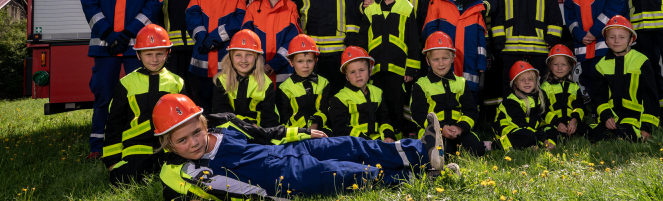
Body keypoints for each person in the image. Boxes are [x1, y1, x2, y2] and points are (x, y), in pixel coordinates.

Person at [154, 94, 449, 199]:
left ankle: (421, 152)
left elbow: (267, 133)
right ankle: (421, 177)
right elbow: (177, 192)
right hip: (287, 178)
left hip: (291, 151)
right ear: (169, 144)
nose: (193, 142)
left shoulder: (226, 126)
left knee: (350, 144)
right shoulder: (191, 172)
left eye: (195, 132)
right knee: (346, 172)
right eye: (181, 140)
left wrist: (303, 132)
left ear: (203, 124)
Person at [80, 0, 163, 160]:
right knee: (104, 93)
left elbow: (153, 4)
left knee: (140, 95)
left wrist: (128, 33)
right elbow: (88, 2)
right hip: (104, 46)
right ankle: (98, 146)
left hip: (135, 46)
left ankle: (141, 141)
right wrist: (107, 32)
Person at [102, 24, 184, 184]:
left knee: (179, 178)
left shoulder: (177, 82)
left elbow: (185, 121)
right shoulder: (126, 84)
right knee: (122, 180)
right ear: (138, 55)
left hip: (167, 146)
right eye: (148, 54)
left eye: (159, 54)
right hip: (136, 147)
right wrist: (112, 161)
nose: (154, 59)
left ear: (168, 53)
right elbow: (114, 124)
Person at [359, 0, 421, 135]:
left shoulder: (406, 7)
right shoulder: (370, 9)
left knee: (397, 101)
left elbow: (413, 40)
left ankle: (399, 133)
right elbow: (363, 39)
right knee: (378, 100)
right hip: (375, 67)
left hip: (399, 68)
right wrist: (364, 66)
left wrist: (411, 69)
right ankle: (381, 134)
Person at [186, 0, 247, 113]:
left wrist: (215, 38)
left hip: (224, 58)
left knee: (224, 105)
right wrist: (202, 37)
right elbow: (191, 16)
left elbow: (240, 19)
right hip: (201, 60)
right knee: (201, 105)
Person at [410, 32, 489, 157]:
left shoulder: (461, 82)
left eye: (445, 58)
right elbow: (418, 115)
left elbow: (471, 112)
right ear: (428, 60)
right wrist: (440, 128)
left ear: (452, 58)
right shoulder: (421, 84)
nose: (441, 63)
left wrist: (460, 128)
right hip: (433, 131)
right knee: (444, 152)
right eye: (435, 59)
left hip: (458, 130)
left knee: (477, 150)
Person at [422, 0, 487, 100]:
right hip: (443, 63)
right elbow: (429, 32)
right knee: (443, 99)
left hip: (469, 62)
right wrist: (434, 57)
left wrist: (481, 62)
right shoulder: (437, 1)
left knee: (469, 101)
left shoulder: (477, 4)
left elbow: (480, 38)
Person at [590, 16, 660, 142]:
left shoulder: (641, 61)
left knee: (623, 136)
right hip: (612, 116)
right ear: (606, 40)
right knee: (596, 136)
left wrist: (646, 128)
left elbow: (650, 96)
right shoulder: (601, 65)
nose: (617, 41)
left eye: (622, 37)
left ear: (630, 40)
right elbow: (599, 96)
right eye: (612, 37)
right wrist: (606, 116)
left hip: (635, 117)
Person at [242, 0, 301, 86]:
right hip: (257, 72)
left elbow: (293, 40)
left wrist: (274, 64)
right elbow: (245, 39)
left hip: (284, 73)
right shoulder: (253, 6)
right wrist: (259, 64)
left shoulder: (291, 7)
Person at [211, 29, 279, 128]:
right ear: (230, 57)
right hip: (230, 133)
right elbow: (221, 114)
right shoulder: (221, 80)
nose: (243, 60)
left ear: (257, 57)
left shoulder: (266, 83)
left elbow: (270, 120)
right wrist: (248, 125)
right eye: (238, 55)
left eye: (249, 54)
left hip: (258, 135)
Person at [329, 46, 396, 141]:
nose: (358, 75)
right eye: (352, 72)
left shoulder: (378, 92)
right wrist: (365, 140)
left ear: (370, 70)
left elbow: (384, 119)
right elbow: (340, 128)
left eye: (362, 70)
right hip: (353, 144)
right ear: (346, 77)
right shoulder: (339, 98)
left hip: (377, 141)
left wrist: (388, 136)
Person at [276, 34, 333, 135]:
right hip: (295, 134)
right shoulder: (284, 88)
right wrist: (304, 132)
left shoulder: (324, 83)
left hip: (321, 130)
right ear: (291, 62)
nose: (305, 66)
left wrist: (314, 125)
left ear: (316, 60)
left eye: (309, 61)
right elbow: (283, 119)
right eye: (300, 61)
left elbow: (325, 109)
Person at [493, 61, 555, 151]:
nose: (527, 82)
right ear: (515, 84)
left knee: (552, 130)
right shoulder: (511, 101)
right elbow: (521, 124)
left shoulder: (537, 96)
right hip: (508, 131)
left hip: (527, 130)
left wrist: (558, 125)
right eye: (522, 80)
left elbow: (539, 119)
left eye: (530, 79)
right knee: (530, 136)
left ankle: (529, 146)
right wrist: (544, 139)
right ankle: (494, 146)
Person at [540, 44, 589, 143]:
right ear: (549, 65)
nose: (559, 68)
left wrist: (574, 121)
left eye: (564, 64)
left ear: (570, 66)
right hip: (553, 125)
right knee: (556, 136)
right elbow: (542, 110)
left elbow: (580, 107)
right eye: (555, 64)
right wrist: (557, 123)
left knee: (590, 131)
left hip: (571, 123)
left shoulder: (574, 86)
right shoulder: (545, 87)